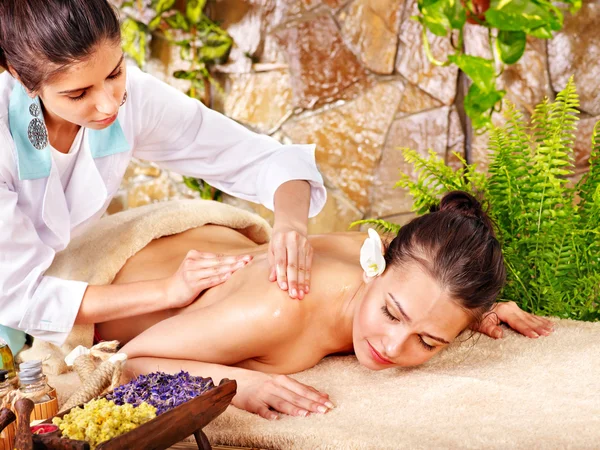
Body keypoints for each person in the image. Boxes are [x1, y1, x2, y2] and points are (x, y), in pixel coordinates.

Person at [0, 0, 326, 350]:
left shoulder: (133, 98)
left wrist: (291, 227)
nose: (109, 104)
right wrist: (168, 291)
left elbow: (260, 159)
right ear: (20, 77)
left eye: (114, 73)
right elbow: (20, 295)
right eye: (78, 93)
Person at [93, 192, 555, 420]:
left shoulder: (396, 259)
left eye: (429, 341)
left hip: (203, 243)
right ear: (376, 268)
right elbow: (123, 362)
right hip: (115, 271)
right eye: (392, 314)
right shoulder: (279, 309)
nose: (394, 346)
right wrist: (241, 385)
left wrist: (480, 312)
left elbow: (432, 287)